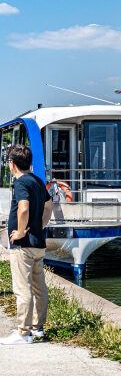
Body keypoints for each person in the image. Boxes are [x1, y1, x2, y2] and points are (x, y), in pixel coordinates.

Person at [0, 145, 53, 345]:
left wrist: (21, 231)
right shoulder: (38, 181)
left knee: (22, 290)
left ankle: (23, 333)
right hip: (38, 244)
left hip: (23, 246)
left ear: (12, 164)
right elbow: (49, 205)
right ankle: (37, 328)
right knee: (39, 288)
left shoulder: (21, 182)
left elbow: (23, 208)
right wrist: (41, 224)